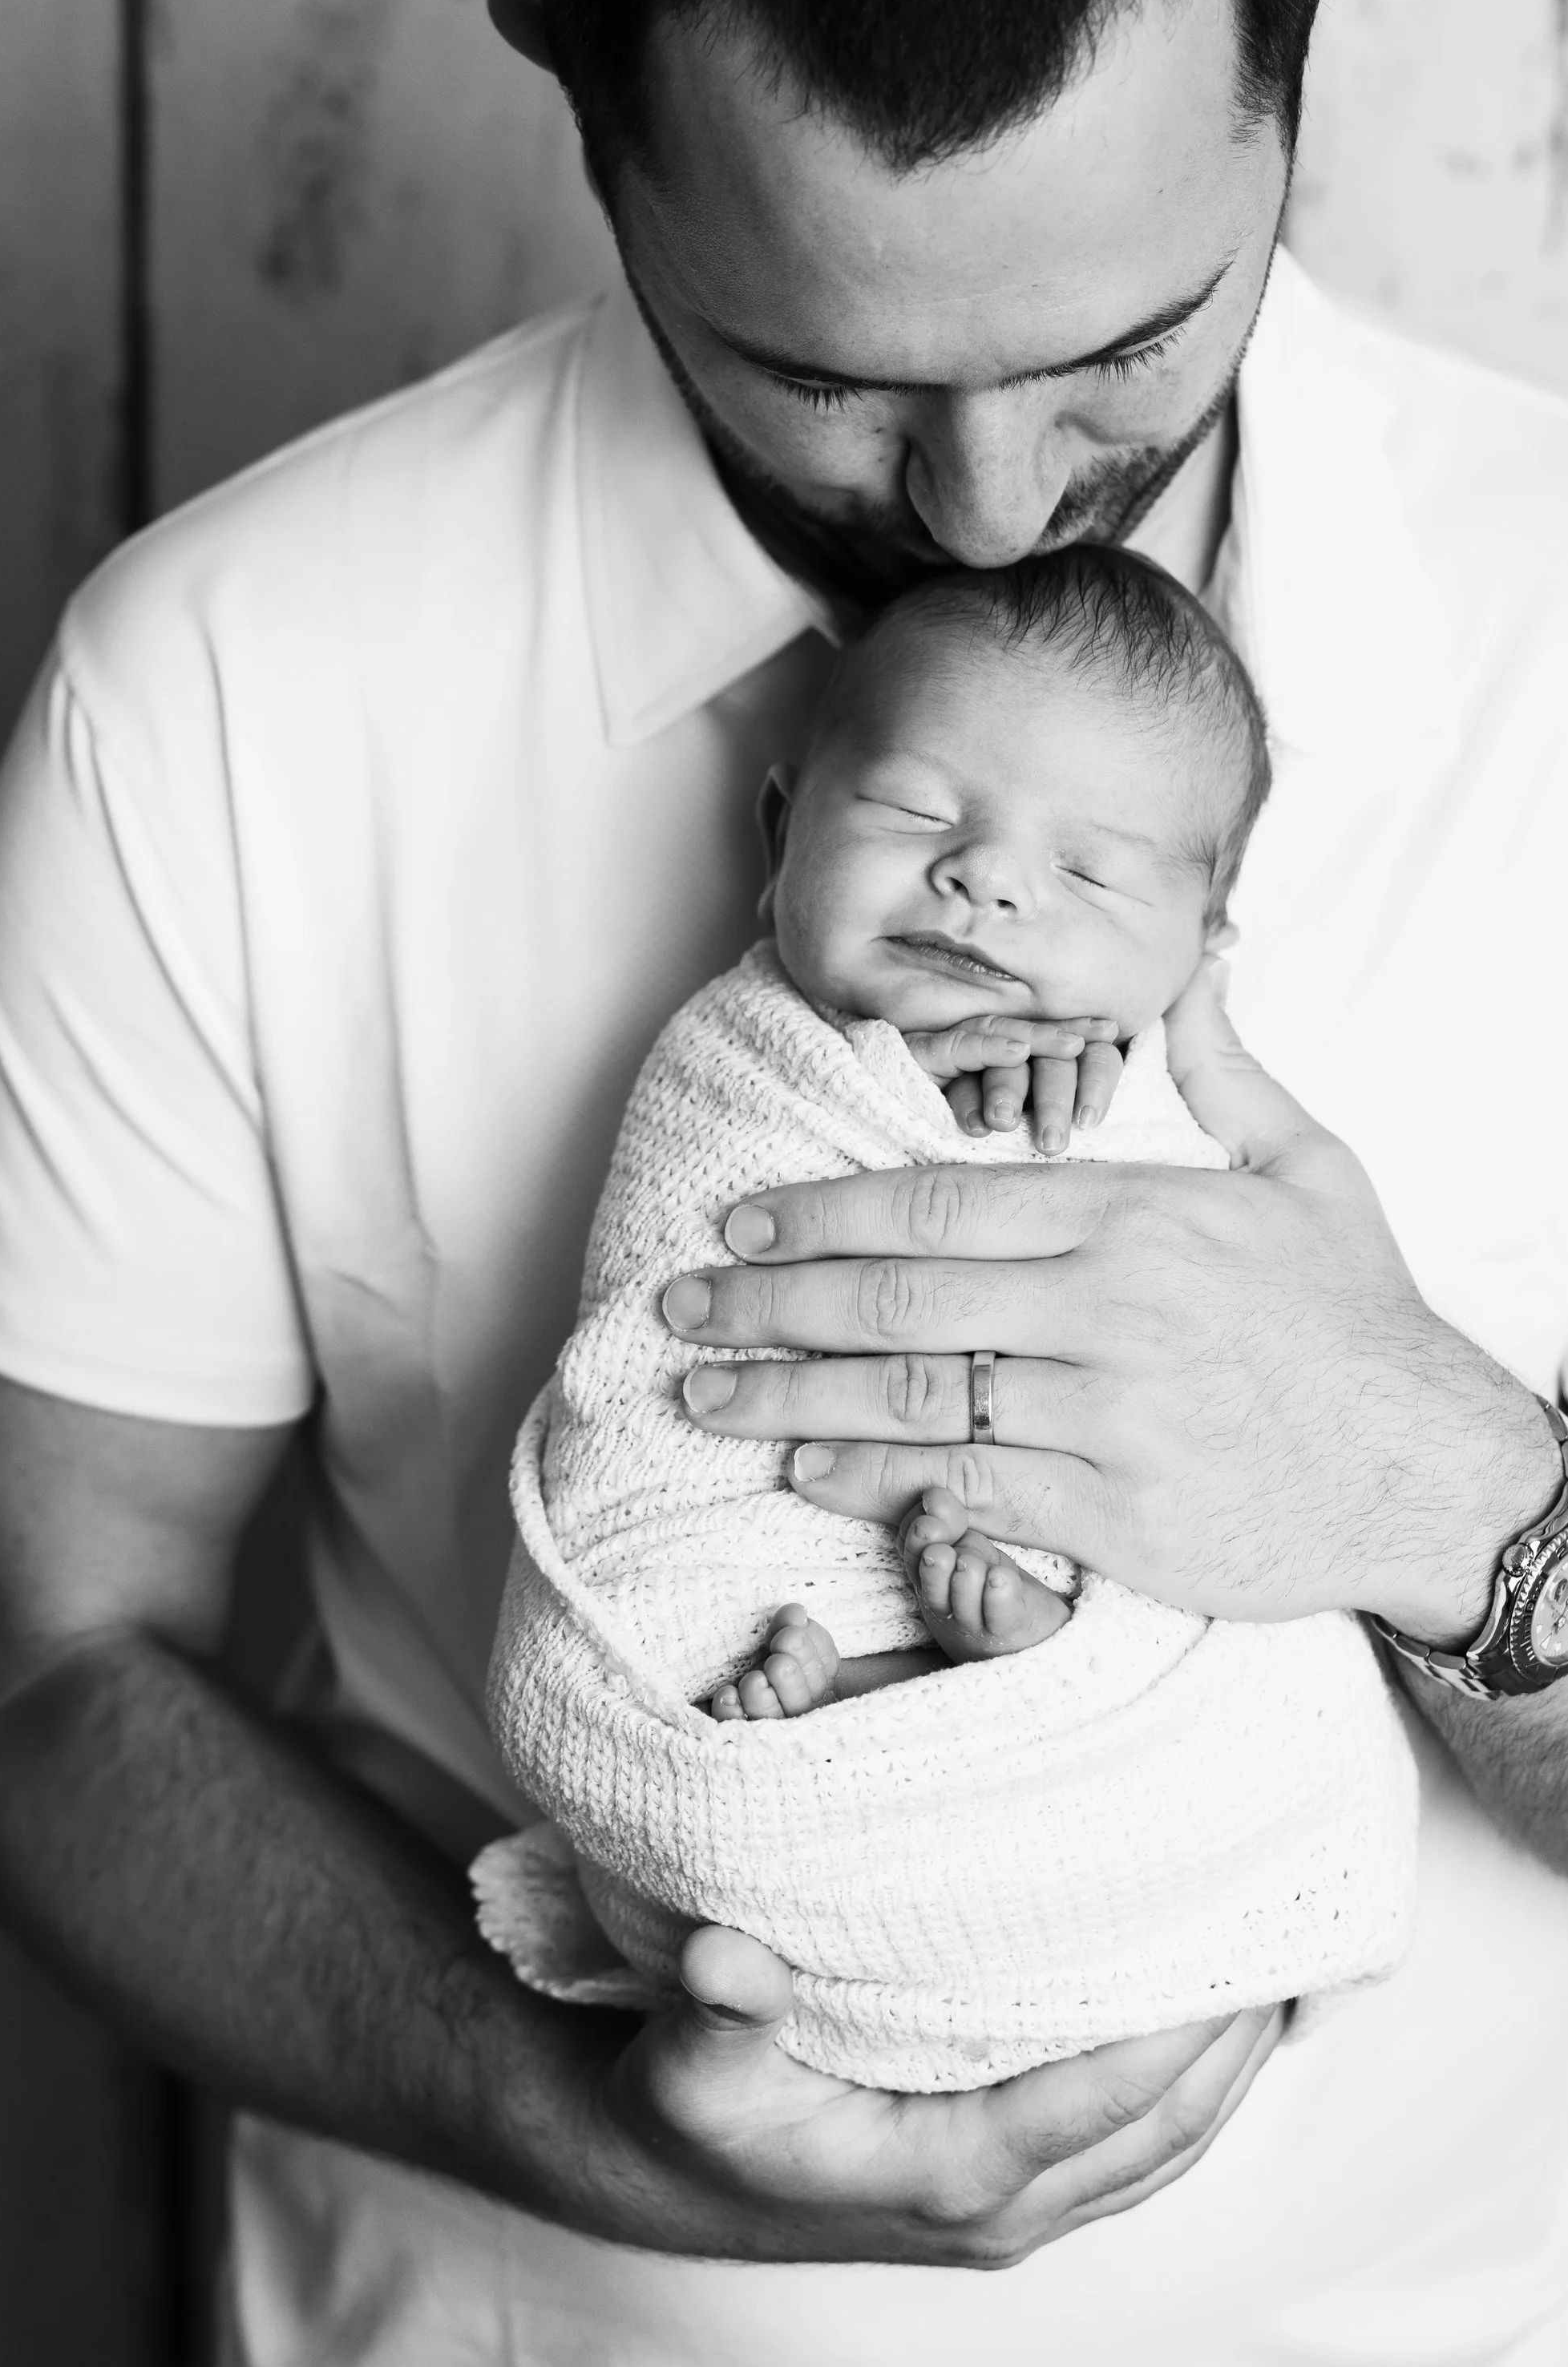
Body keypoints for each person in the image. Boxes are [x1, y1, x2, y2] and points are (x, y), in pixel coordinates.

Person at [0, 0, 1568, 2367]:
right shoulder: (219, 688)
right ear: (570, 89)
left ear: (1302, 34)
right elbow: (34, 1660)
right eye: (815, 369)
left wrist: (1435, 1483)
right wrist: (585, 2113)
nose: (974, 507)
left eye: (1118, 344)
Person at [476, 546, 1416, 2097]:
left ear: (1200, 951)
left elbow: (1230, 1342)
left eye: (1094, 875)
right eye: (917, 813)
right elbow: (676, 1299)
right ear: (779, 833)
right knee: (700, 1663)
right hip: (720, 1577)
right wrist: (927, 1108)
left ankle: (981, 1692)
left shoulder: (1188, 1116)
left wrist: (1106, 1125)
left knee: (1281, 1707)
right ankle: (906, 1700)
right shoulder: (743, 1066)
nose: (985, 880)